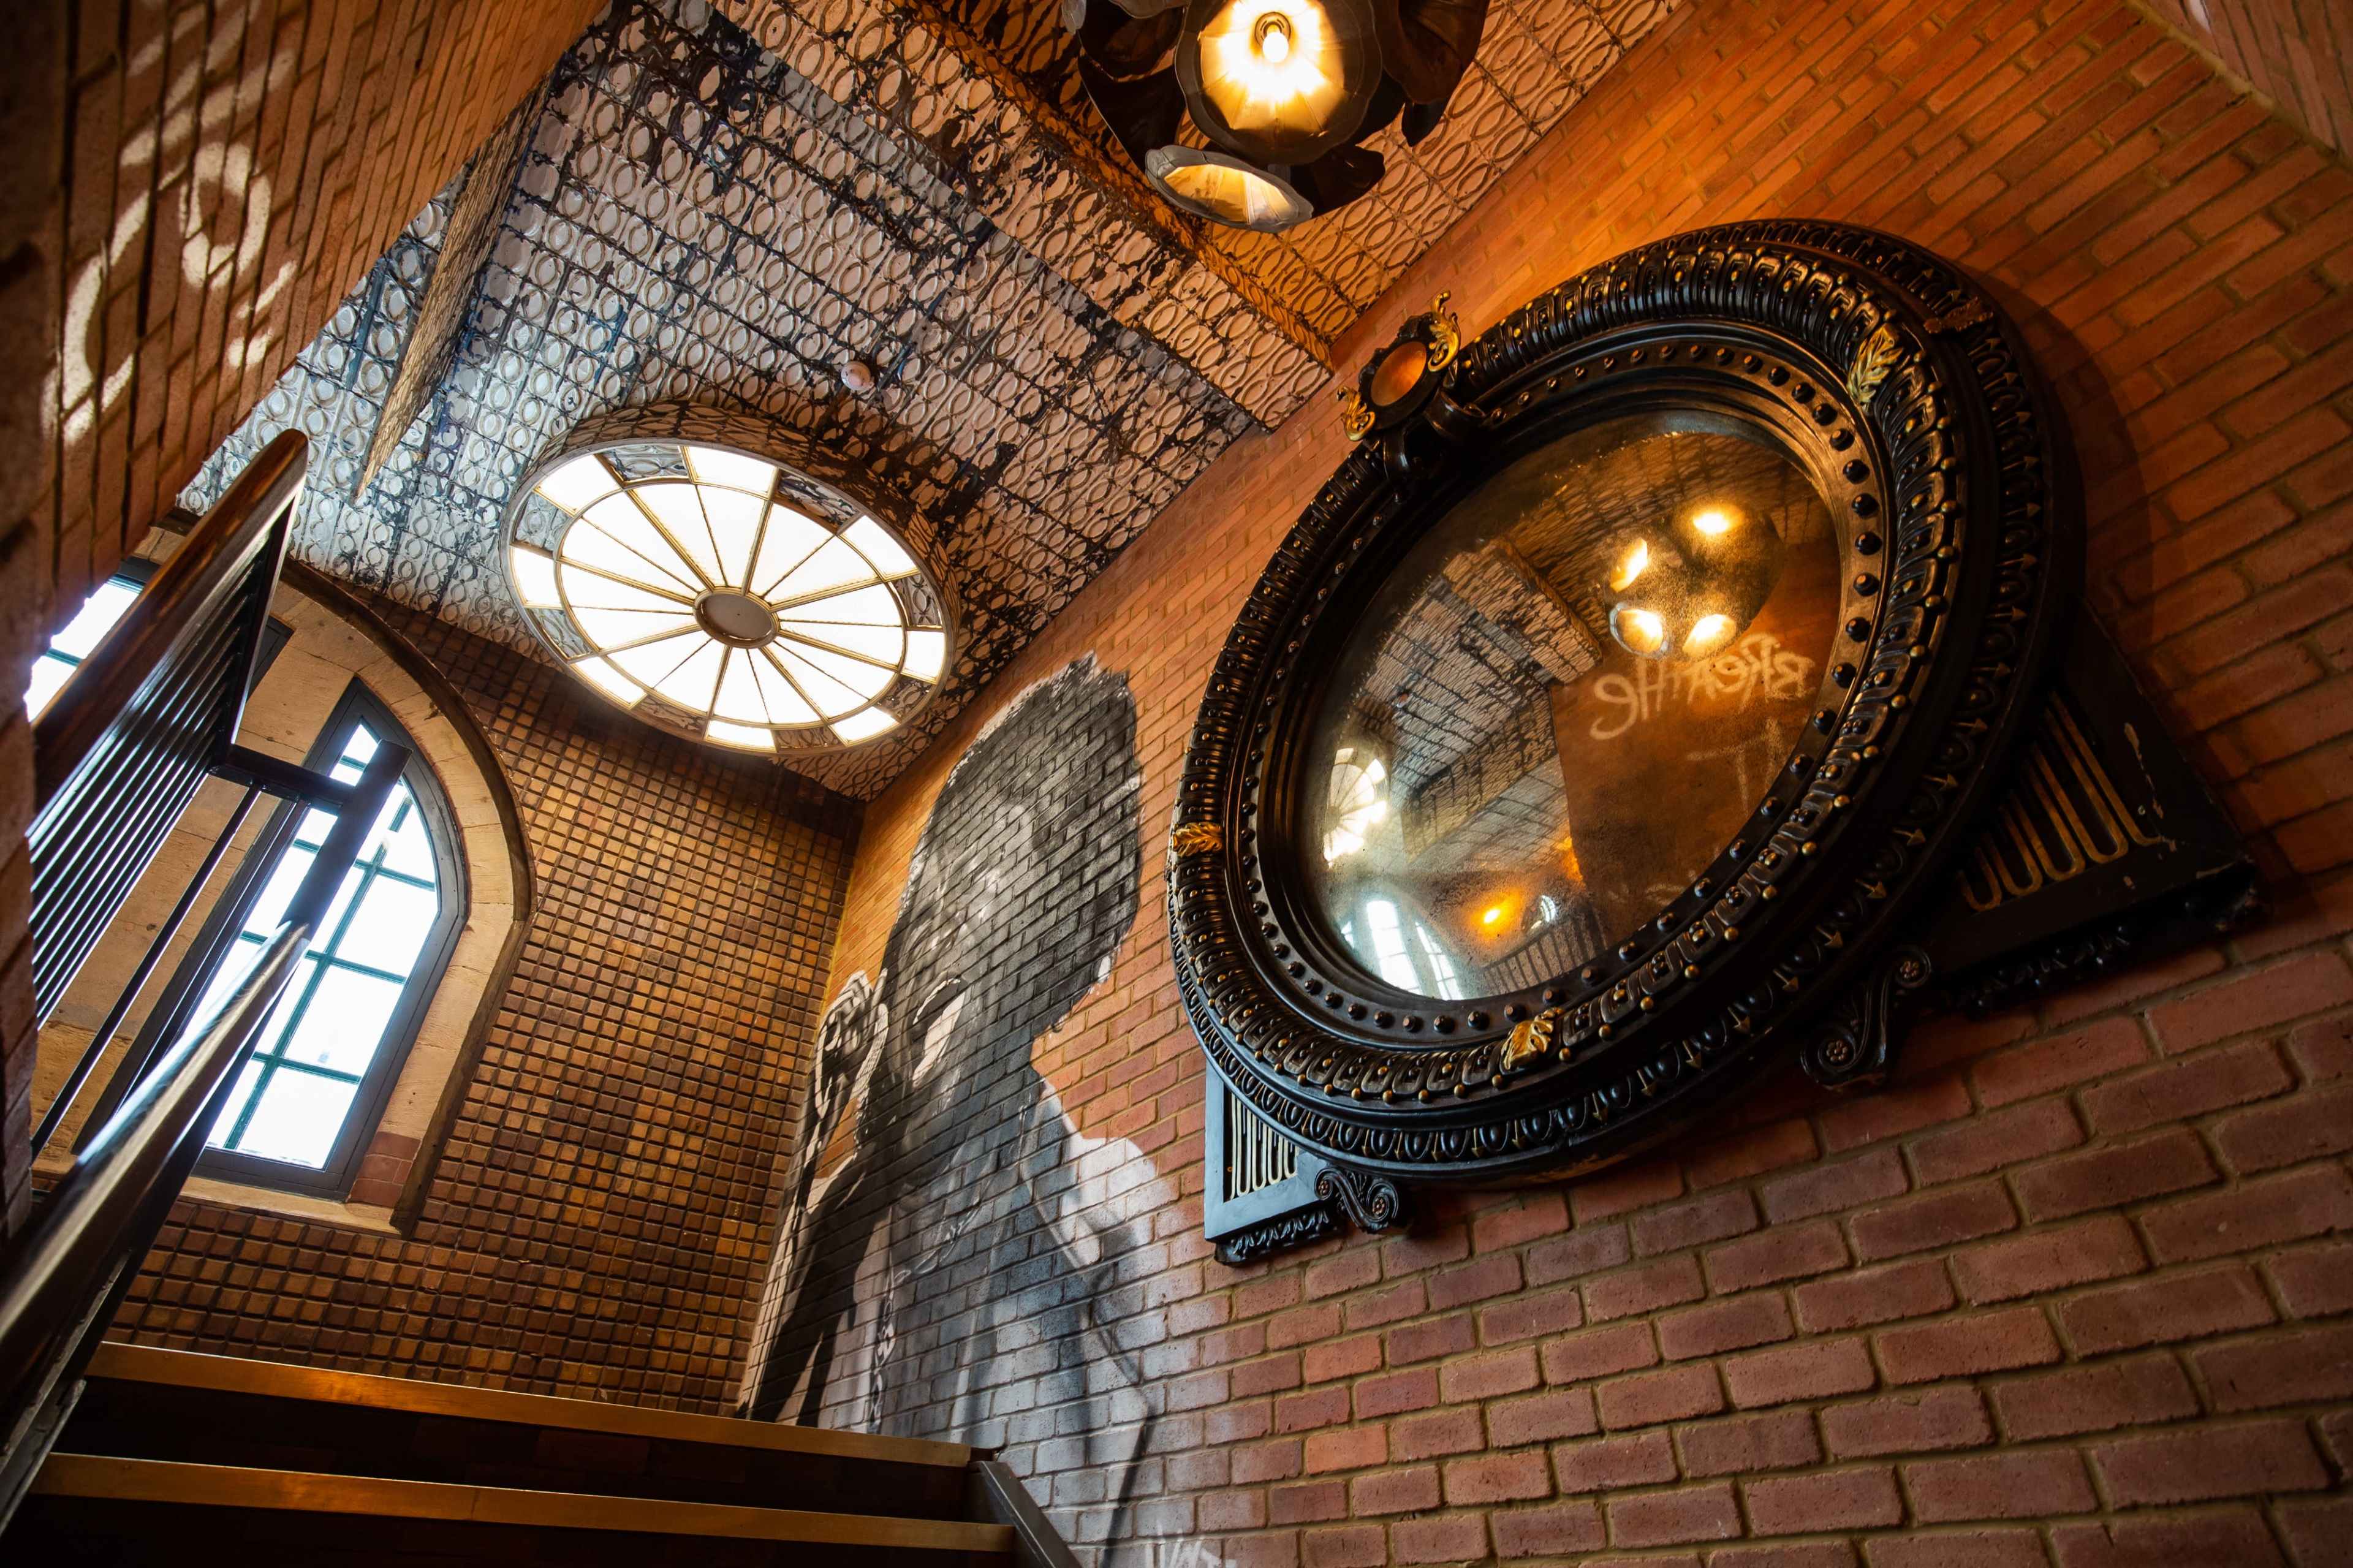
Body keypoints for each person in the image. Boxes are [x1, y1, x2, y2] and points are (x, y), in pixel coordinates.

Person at [741, 656, 1157, 1549]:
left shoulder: (1122, 1230)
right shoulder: (828, 1222)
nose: (928, 949)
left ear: (1067, 972)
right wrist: (815, 1148)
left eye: (984, 906)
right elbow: (748, 1437)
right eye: (924, 910)